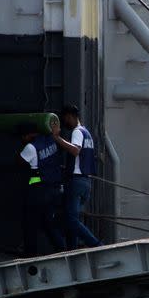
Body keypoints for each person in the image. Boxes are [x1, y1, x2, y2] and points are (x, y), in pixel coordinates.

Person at [52, 105, 103, 249]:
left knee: (71, 219)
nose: (64, 123)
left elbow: (75, 150)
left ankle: (96, 244)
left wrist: (56, 138)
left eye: (65, 119)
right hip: (86, 183)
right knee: (73, 220)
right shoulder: (87, 133)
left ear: (70, 116)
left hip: (76, 181)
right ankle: (72, 249)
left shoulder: (77, 132)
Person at [17, 122, 66, 257]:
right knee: (48, 223)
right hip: (54, 189)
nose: (22, 139)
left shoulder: (30, 147)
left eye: (22, 137)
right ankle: (62, 250)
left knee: (30, 224)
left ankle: (30, 255)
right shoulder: (51, 140)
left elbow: (20, 162)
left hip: (38, 190)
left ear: (27, 135)